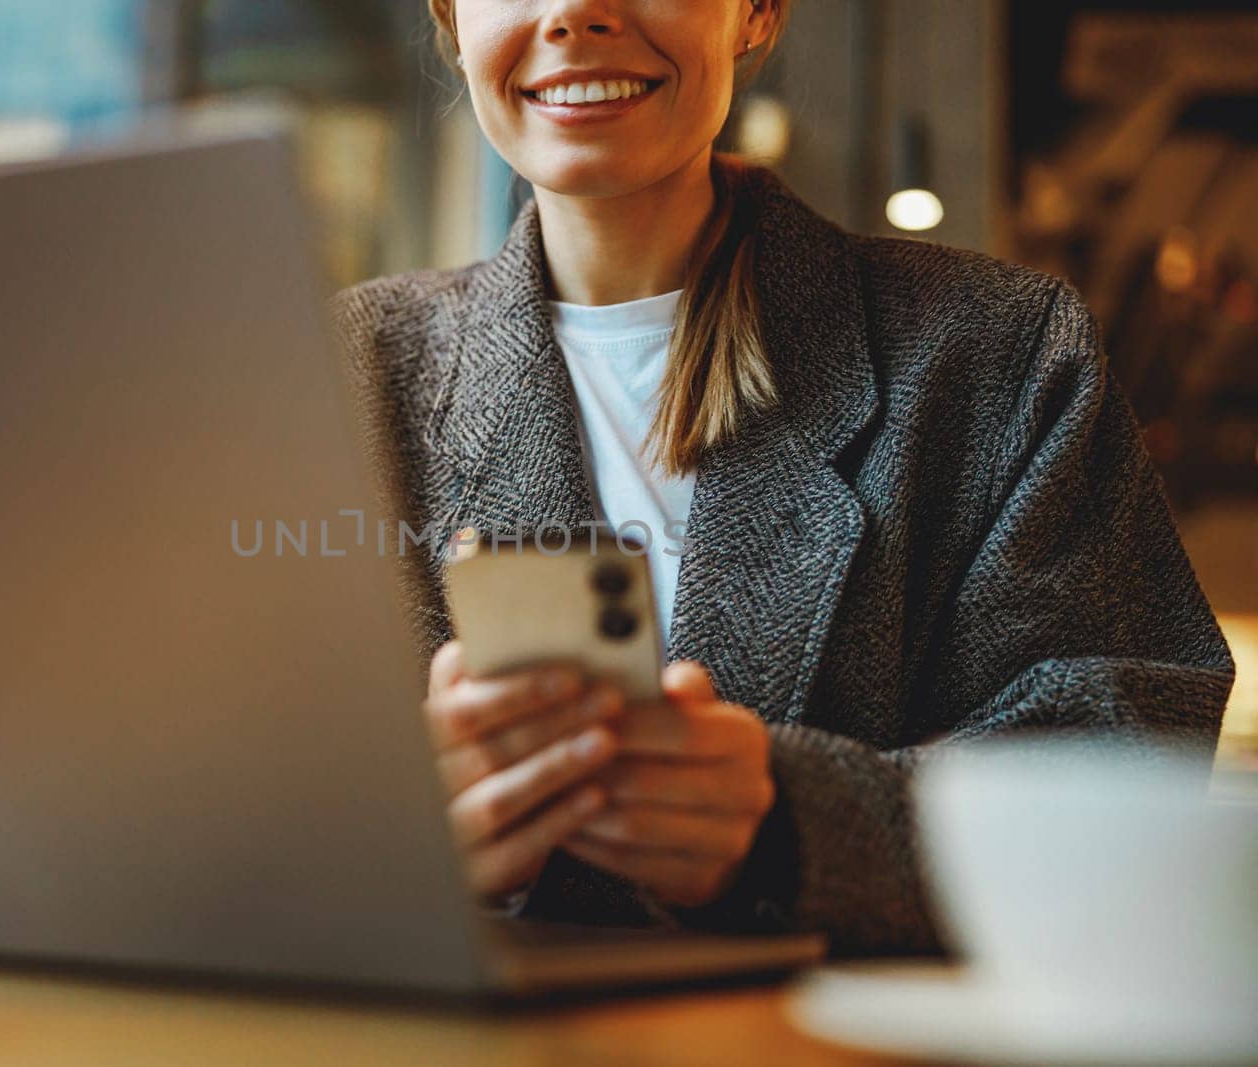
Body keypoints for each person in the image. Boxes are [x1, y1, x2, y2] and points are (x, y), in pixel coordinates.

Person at [327, 0, 1236, 953]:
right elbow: (218, 799)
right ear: (453, 16)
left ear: (755, 12)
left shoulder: (998, 356)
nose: (575, 13)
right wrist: (393, 843)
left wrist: (790, 827)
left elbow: (1125, 771)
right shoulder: (347, 368)